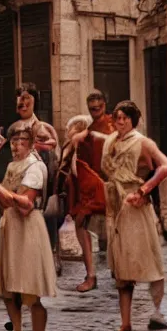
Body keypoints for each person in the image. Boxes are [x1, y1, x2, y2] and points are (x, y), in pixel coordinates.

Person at [0, 125, 58, 331]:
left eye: (22, 140)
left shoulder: (35, 167)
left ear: (31, 144)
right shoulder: (12, 165)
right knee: (8, 285)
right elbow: (4, 202)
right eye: (13, 140)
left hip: (28, 230)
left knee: (31, 288)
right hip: (10, 227)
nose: (16, 145)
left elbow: (24, 205)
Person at [100, 100, 167, 331]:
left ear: (133, 120)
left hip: (133, 205)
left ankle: (158, 311)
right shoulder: (111, 141)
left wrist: (145, 190)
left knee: (145, 260)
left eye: (124, 118)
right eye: (117, 117)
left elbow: (165, 166)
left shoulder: (143, 142)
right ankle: (125, 324)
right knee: (121, 267)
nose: (120, 122)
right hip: (115, 205)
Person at [58, 114, 107, 293]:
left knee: (105, 232)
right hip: (86, 196)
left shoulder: (85, 145)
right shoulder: (72, 148)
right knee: (82, 228)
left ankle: (94, 275)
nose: (67, 131)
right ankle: (92, 274)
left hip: (95, 194)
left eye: (70, 128)